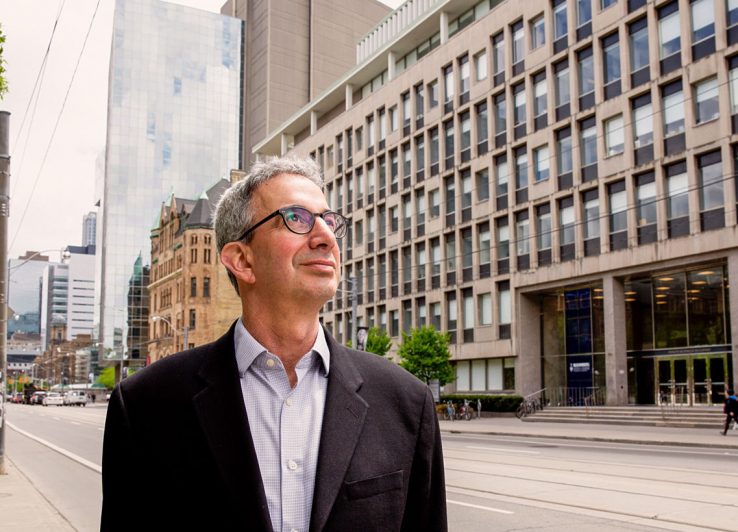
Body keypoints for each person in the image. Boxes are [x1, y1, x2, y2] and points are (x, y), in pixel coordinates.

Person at [101, 157, 447, 531]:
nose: (326, 237)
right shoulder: (145, 405)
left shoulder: (407, 404)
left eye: (330, 222)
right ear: (242, 261)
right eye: (297, 218)